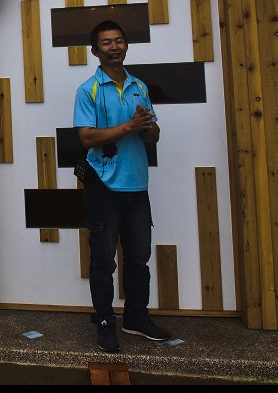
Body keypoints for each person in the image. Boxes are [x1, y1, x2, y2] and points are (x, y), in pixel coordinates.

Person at [73, 20, 171, 352]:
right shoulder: (88, 89)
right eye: (106, 42)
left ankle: (135, 319)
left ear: (126, 46)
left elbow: (153, 136)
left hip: (137, 187)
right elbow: (87, 137)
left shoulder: (140, 87)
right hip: (103, 186)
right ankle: (104, 320)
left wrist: (145, 127)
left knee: (138, 259)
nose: (114, 46)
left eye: (119, 41)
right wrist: (129, 126)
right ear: (95, 50)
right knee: (103, 261)